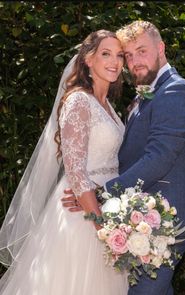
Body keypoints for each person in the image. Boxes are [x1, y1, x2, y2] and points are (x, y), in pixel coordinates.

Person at [62, 21, 185, 295]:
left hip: (166, 220)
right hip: (136, 218)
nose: (133, 61)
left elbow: (158, 159)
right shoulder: (144, 95)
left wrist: (101, 193)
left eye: (141, 51)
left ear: (161, 48)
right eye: (128, 55)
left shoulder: (176, 91)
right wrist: (89, 193)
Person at [0, 30, 128, 294]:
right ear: (88, 60)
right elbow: (76, 170)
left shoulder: (108, 106)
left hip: (110, 206)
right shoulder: (79, 101)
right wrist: (102, 227)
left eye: (119, 55)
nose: (114, 61)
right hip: (83, 214)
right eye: (106, 53)